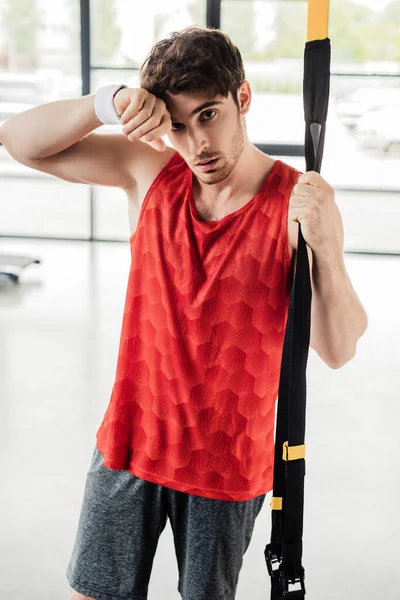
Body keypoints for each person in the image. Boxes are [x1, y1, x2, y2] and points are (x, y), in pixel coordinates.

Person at [0, 24, 367, 600]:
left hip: (226, 470)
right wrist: (108, 102)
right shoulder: (149, 172)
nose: (197, 144)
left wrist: (329, 249)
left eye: (209, 115)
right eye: (176, 124)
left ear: (243, 98)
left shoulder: (297, 202)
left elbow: (339, 348)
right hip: (128, 446)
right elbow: (17, 140)